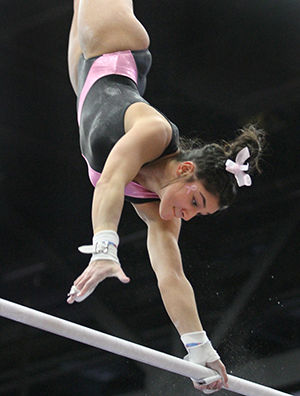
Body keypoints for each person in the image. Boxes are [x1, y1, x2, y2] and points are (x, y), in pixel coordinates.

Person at [66, 0, 265, 393]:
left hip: (82, 78)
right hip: (114, 41)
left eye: (197, 214)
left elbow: (171, 275)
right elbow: (109, 181)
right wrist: (105, 246)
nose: (186, 216)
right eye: (195, 202)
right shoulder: (153, 131)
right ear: (185, 170)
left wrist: (199, 349)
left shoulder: (162, 213)